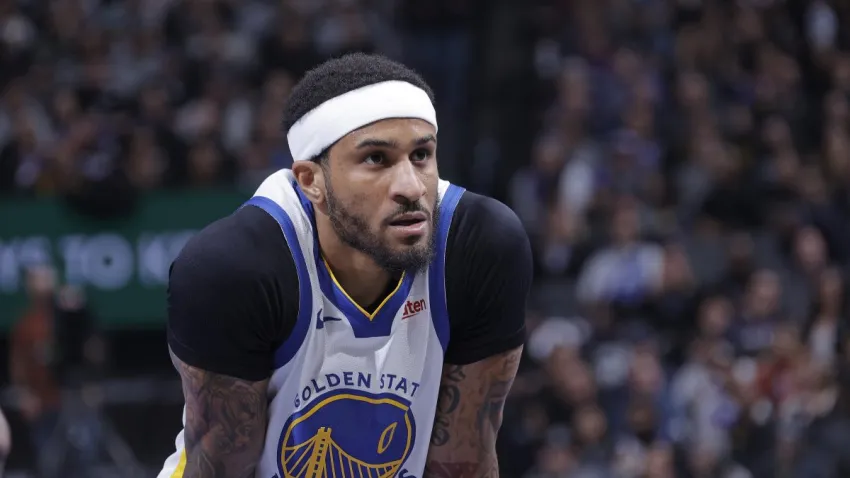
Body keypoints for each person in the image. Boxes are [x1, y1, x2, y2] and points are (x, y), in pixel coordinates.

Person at [158, 53, 532, 478]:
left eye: (422, 155)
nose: (410, 186)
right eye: (376, 159)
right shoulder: (236, 269)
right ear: (310, 181)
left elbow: (466, 463)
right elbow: (221, 470)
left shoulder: (479, 247)